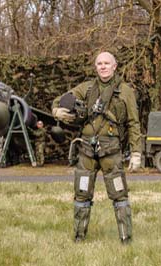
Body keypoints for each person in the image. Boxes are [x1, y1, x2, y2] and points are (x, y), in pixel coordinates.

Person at [52, 51, 142, 244]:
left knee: (119, 195)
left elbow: (134, 123)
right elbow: (61, 100)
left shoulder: (125, 92)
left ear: (115, 66)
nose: (103, 66)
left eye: (106, 63)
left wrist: (136, 152)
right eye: (99, 63)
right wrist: (57, 110)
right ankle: (79, 238)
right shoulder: (86, 88)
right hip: (86, 152)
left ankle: (126, 240)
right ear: (96, 67)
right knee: (82, 194)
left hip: (111, 152)